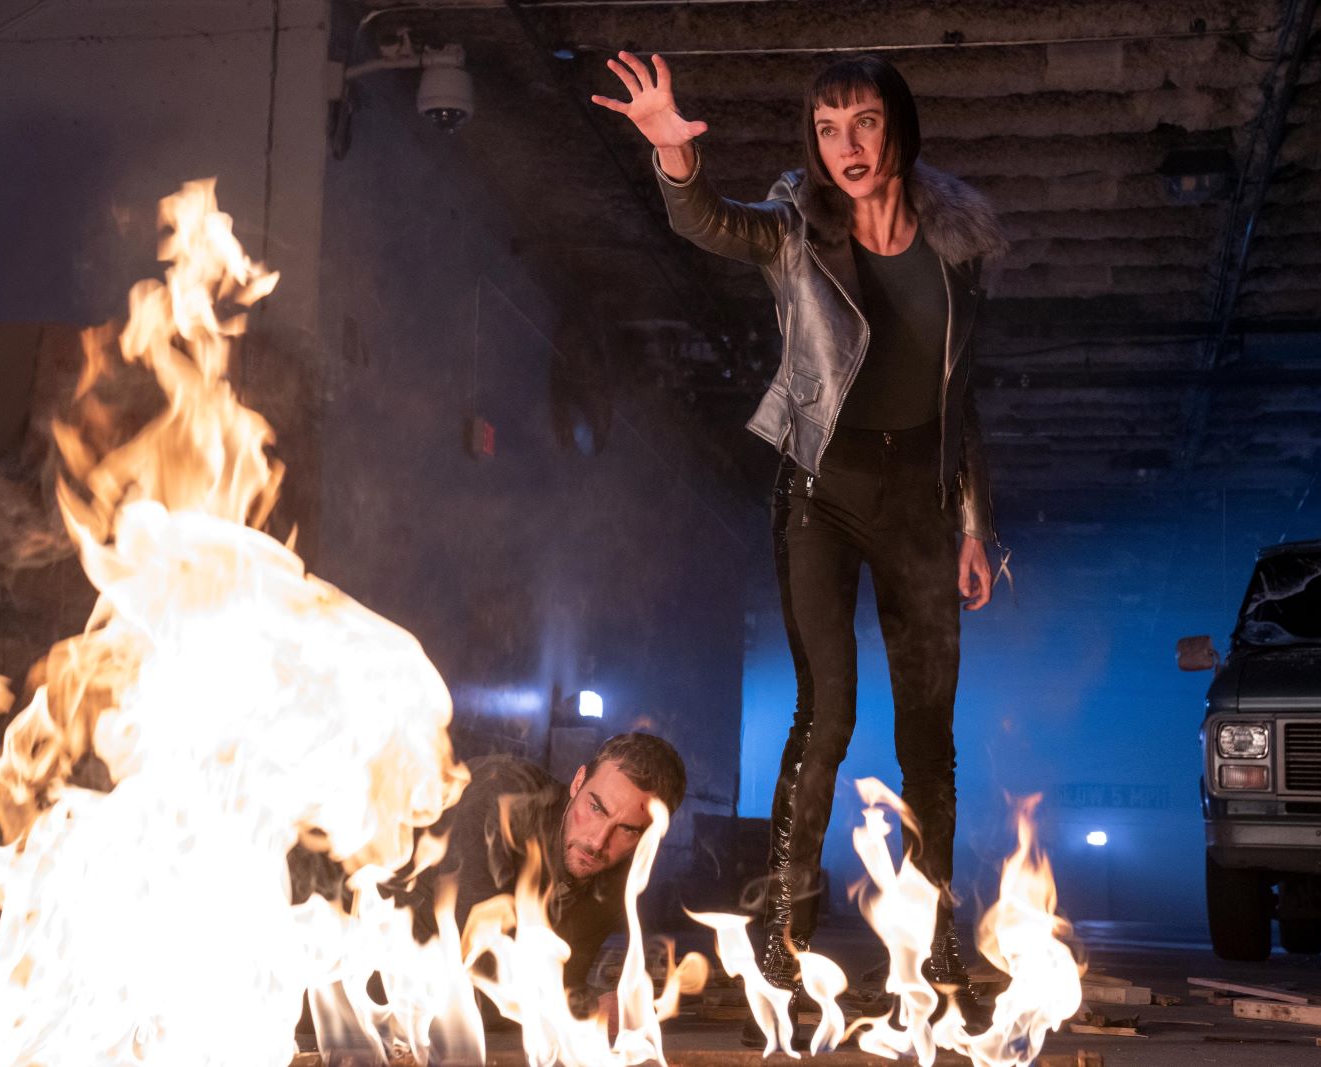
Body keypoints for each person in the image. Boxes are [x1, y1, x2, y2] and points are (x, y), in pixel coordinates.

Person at [592, 52, 1003, 1036]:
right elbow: (710, 223)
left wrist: (973, 526)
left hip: (919, 500)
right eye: (826, 129)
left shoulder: (955, 245)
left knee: (928, 729)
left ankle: (936, 940)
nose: (846, 146)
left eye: (864, 123)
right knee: (827, 710)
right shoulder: (796, 226)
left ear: (898, 127)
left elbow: (962, 402)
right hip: (822, 489)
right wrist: (673, 156)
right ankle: (783, 929)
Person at [401, 731, 687, 1020]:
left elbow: (565, 980)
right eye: (596, 808)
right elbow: (479, 975)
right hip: (389, 972)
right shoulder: (500, 800)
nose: (598, 841)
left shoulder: (619, 878)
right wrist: (587, 1009)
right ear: (578, 782)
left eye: (627, 829)